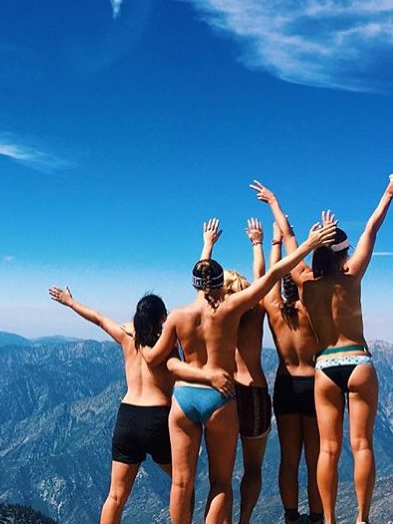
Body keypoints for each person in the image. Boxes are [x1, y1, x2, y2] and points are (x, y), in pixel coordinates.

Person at [140, 220, 337, 524]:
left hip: (184, 396)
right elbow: (270, 275)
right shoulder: (236, 309)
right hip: (222, 396)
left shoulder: (178, 315)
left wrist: (207, 244)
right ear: (220, 285)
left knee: (181, 483)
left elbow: (159, 359)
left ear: (195, 283)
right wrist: (303, 245)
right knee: (221, 482)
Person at [252, 176, 393, 524]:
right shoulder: (351, 278)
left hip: (325, 367)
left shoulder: (305, 283)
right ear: (343, 255)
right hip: (358, 360)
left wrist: (274, 202)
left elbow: (289, 240)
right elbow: (371, 229)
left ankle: (330, 519)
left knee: (329, 449)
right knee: (362, 445)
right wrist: (387, 195)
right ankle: (362, 519)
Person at [48, 287, 231, 524]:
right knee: (182, 485)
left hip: (127, 418)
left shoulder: (127, 336)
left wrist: (70, 302)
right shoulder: (166, 345)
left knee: (115, 496)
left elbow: (99, 319)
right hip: (157, 419)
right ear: (162, 318)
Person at [250, 183, 324, 524]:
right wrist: (283, 222)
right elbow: (294, 268)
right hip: (314, 386)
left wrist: (272, 243)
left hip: (284, 385)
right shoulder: (312, 308)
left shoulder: (272, 307)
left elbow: (269, 276)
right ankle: (317, 516)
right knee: (316, 458)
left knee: (289, 460)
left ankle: (291, 516)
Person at [201, 218, 271, 524]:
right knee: (253, 469)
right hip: (253, 391)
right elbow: (262, 277)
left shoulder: (217, 315)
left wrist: (208, 245)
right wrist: (257, 242)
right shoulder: (255, 311)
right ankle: (244, 521)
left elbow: (203, 284)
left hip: (225, 393)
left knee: (221, 477)